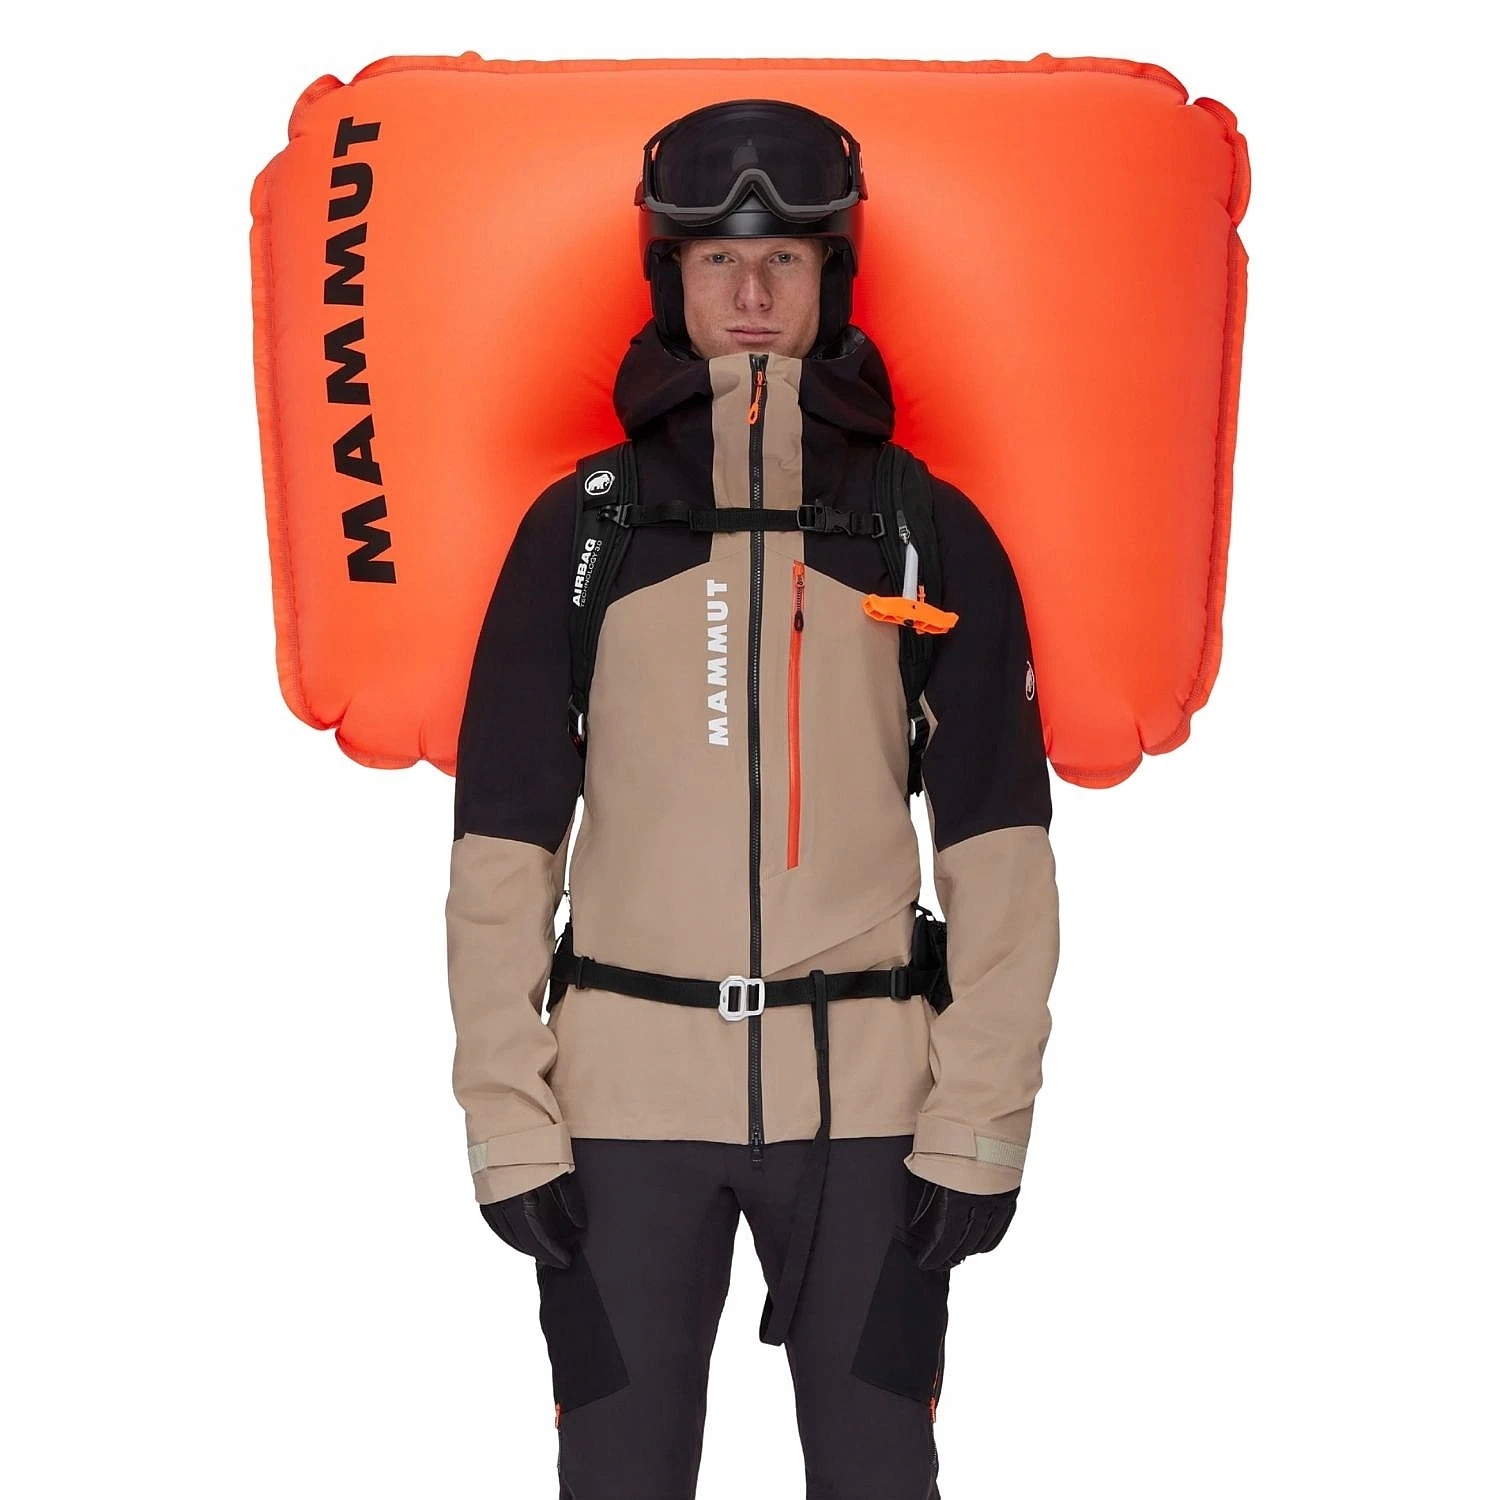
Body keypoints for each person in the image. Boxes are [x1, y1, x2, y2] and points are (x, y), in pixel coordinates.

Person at [445, 97, 1060, 1500]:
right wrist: (507, 1115)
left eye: (786, 255)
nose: (753, 290)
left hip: (874, 1117)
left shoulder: (925, 528)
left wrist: (979, 1120)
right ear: (667, 274)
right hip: (619, 1115)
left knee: (879, 1478)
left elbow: (1000, 853)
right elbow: (501, 852)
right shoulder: (581, 532)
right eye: (716, 258)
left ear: (835, 271)